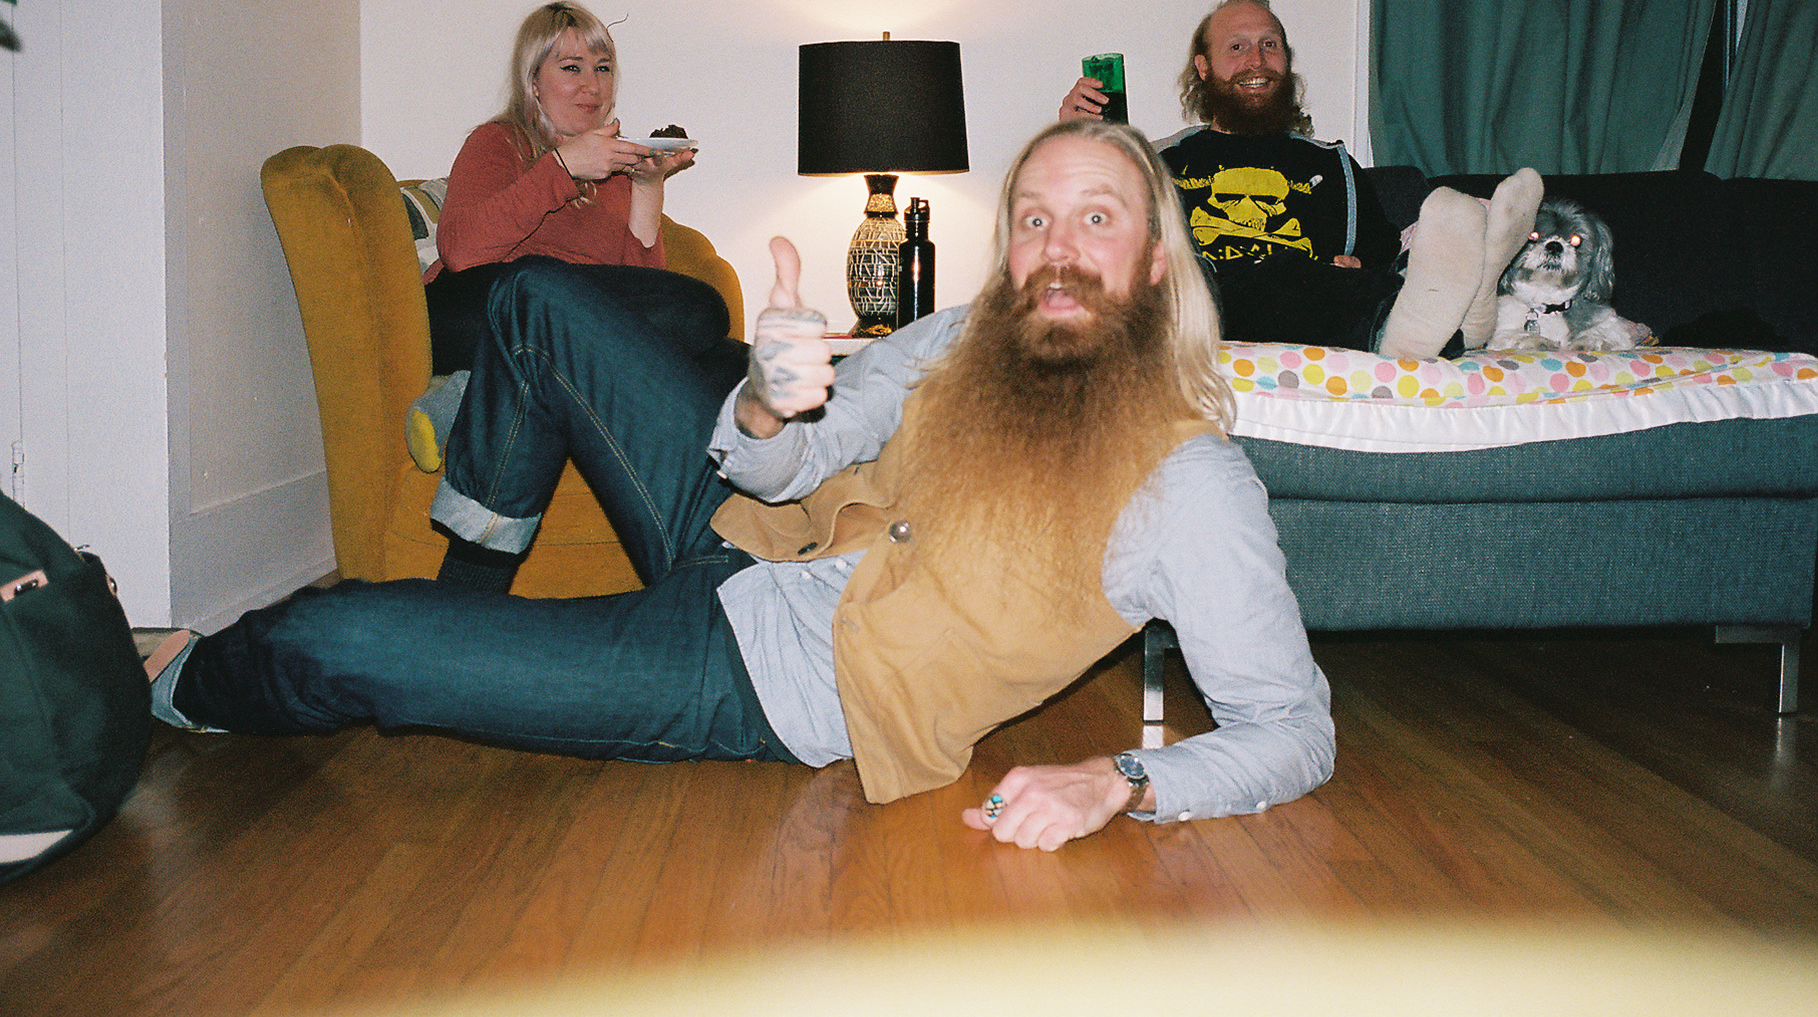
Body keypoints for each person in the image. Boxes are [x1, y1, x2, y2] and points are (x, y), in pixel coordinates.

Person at [144, 119, 1335, 852]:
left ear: (1155, 262)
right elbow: (792, 460)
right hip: (745, 526)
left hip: (767, 676)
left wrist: (1120, 779)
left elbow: (1294, 729)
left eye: (1097, 217)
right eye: (1034, 217)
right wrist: (767, 398)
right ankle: (471, 605)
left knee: (336, 633)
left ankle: (176, 678)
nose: (1058, 245)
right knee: (534, 304)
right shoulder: (960, 335)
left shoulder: (1190, 484)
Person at [1059, 0, 1541, 357]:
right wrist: (1073, 141)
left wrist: (1361, 271)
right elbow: (1089, 235)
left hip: (1311, 303)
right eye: (1237, 47)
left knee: (1325, 277)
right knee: (1232, 275)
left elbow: (1378, 252)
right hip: (1195, 305)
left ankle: (1469, 317)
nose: (1256, 60)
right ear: (1203, 69)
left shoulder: (1331, 165)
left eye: (1270, 45)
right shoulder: (1157, 162)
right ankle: (1431, 323)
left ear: (1286, 61)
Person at [422, 0, 726, 377]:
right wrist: (562, 167)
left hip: (574, 332)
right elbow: (460, 251)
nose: (592, 85)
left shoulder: (615, 168)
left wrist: (647, 185)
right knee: (696, 308)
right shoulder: (498, 142)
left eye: (602, 68)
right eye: (571, 68)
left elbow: (645, 290)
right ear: (533, 82)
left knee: (741, 369)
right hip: (482, 306)